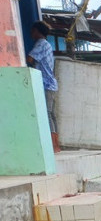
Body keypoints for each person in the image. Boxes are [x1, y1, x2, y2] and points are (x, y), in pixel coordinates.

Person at [27, 21, 60, 152]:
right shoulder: (47, 44)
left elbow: (30, 59)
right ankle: (55, 144)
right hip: (51, 84)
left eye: (33, 30)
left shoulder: (40, 44)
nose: (31, 33)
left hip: (45, 84)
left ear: (37, 31)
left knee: (47, 113)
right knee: (51, 114)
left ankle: (52, 145)